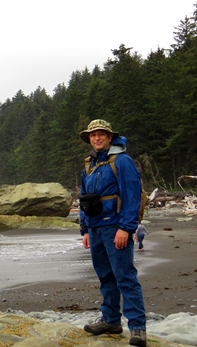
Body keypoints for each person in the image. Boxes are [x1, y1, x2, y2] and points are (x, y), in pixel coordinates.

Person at [78, 119, 147, 347]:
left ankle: (137, 327)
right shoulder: (89, 165)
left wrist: (126, 228)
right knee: (105, 276)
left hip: (115, 227)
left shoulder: (122, 161)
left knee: (125, 277)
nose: (97, 138)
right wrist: (85, 229)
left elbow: (132, 196)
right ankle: (111, 320)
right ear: (89, 139)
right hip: (96, 229)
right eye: (93, 135)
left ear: (109, 137)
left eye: (101, 134)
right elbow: (84, 199)